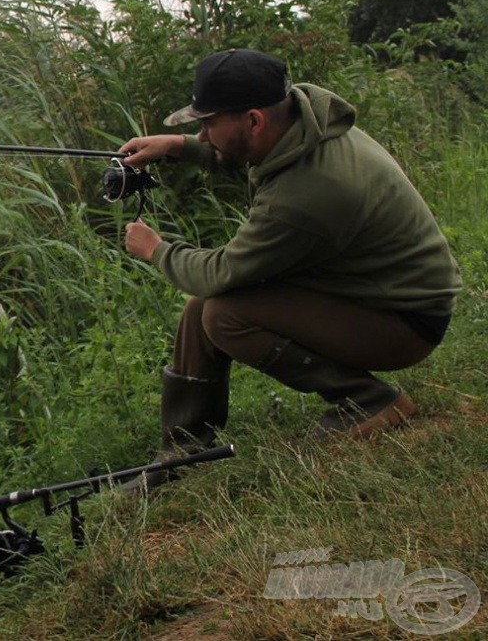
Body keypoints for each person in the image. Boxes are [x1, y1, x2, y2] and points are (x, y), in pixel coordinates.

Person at [118, 49, 462, 488]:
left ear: (255, 120)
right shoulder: (307, 123)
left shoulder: (307, 195)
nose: (203, 135)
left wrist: (156, 249)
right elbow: (240, 150)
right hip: (370, 291)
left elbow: (217, 273)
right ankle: (184, 450)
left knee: (222, 313)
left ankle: (367, 401)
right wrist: (178, 147)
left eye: (207, 124)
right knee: (200, 310)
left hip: (404, 321)